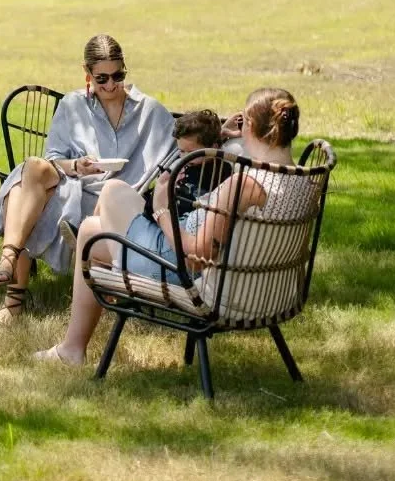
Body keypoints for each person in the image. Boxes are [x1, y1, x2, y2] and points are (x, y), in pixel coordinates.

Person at [34, 87, 307, 365]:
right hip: (267, 293)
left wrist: (162, 208)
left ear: (249, 126)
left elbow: (197, 257)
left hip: (183, 271)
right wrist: (221, 138)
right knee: (91, 230)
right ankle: (72, 349)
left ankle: (72, 348)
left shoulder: (244, 185)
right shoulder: (304, 181)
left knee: (113, 191)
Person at [0, 34, 175, 324]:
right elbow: (54, 159)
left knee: (23, 194)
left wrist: (222, 129)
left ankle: (12, 290)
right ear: (87, 74)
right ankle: (10, 262)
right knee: (32, 169)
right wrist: (77, 166)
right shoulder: (72, 105)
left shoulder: (150, 112)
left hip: (114, 203)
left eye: (118, 75)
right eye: (101, 78)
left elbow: (185, 142)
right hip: (73, 190)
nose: (110, 85)